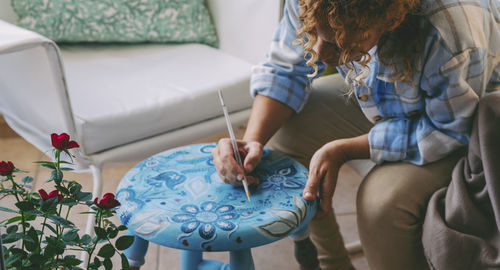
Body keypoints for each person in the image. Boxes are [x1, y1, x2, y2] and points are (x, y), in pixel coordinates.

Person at [211, 0, 500, 269]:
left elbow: (448, 129)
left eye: (339, 43)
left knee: (380, 203)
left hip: (470, 121)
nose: (320, 54)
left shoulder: (450, 27)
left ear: (394, 17)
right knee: (285, 136)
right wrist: (251, 142)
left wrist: (344, 149)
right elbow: (285, 70)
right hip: (392, 99)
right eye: (313, 32)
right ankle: (331, 264)